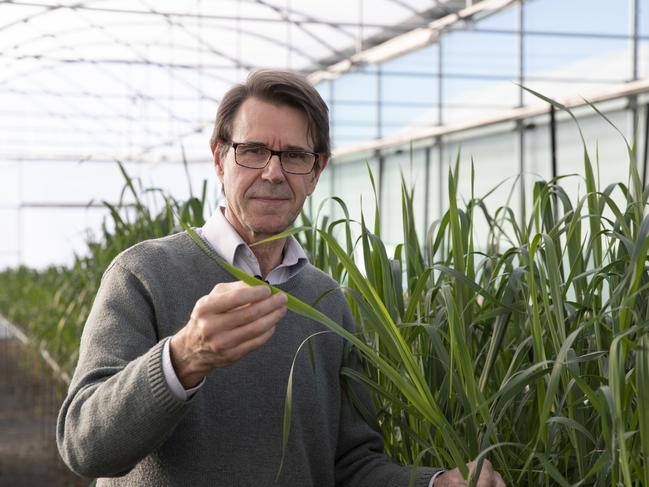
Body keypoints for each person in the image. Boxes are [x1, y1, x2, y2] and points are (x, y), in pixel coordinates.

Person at [57, 69, 506, 487]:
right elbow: (83, 444)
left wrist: (435, 482)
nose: (273, 172)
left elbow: (349, 464)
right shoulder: (143, 275)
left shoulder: (327, 301)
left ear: (316, 172)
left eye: (294, 156)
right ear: (219, 158)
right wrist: (183, 358)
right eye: (252, 151)